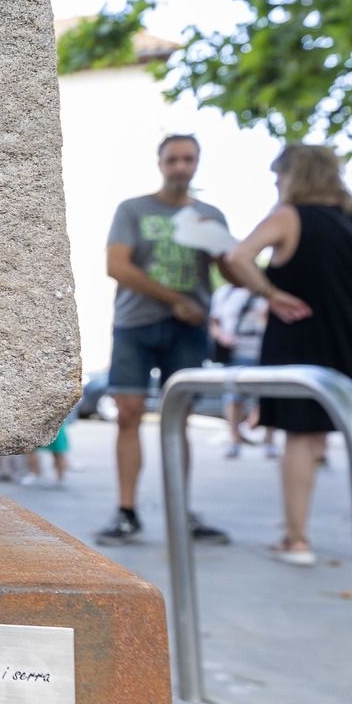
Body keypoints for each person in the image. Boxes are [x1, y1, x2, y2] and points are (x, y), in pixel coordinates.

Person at [221, 145, 352, 569]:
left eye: (279, 177)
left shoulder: (289, 216)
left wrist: (270, 294)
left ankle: (297, 540)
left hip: (305, 338)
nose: (277, 186)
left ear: (294, 175)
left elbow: (236, 256)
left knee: (303, 437)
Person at [96, 134, 230, 545]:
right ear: (160, 163)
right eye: (172, 159)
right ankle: (126, 511)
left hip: (188, 330)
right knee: (128, 414)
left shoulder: (210, 216)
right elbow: (117, 266)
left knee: (178, 419)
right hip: (136, 324)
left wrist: (271, 292)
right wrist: (175, 300)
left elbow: (230, 268)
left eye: (188, 159)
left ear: (197, 164)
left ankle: (180, 510)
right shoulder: (134, 209)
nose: (180, 167)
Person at [208, 282, 269, 457]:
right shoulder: (224, 293)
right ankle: (235, 439)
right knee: (234, 397)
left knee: (269, 396)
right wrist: (222, 336)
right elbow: (214, 322)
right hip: (236, 351)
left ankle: (266, 438)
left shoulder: (265, 291)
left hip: (263, 350)